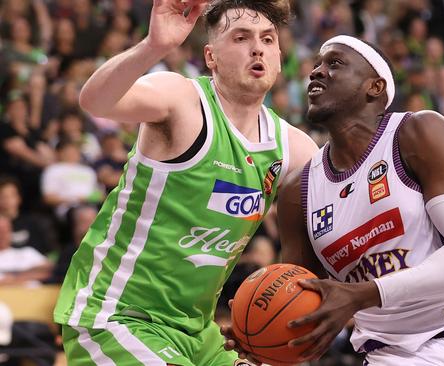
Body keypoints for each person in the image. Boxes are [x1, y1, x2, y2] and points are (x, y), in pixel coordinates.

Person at [223, 35, 444, 365]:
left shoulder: (420, 133)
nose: (316, 71)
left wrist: (364, 293)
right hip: (392, 353)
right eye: (316, 64)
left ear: (375, 86)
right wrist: (263, 338)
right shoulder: (300, 191)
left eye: (335, 63)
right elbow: (303, 302)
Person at [53, 0, 317, 365]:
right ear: (211, 56)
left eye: (268, 40)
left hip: (200, 332)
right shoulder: (182, 100)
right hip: (117, 315)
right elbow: (96, 101)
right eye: (241, 37)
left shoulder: (292, 146)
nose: (258, 47)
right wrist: (154, 47)